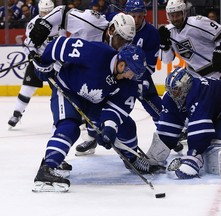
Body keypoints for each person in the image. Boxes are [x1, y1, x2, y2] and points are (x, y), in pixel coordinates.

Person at [31, 37, 161, 192]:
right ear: (121, 64)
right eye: (131, 72)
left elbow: (116, 108)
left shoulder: (129, 82)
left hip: (96, 103)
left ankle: (131, 160)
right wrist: (43, 64)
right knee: (69, 127)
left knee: (127, 126)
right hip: (68, 90)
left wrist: (109, 129)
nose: (131, 77)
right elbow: (58, 45)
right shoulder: (96, 53)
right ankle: (48, 168)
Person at [8, 3, 135, 127]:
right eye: (121, 39)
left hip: (76, 70)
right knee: (36, 92)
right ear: (112, 30)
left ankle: (88, 131)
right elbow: (61, 12)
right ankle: (21, 114)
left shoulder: (118, 51)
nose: (122, 46)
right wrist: (44, 24)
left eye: (127, 42)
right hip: (61, 64)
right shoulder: (91, 21)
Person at [74, 0, 165, 155]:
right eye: (133, 16)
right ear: (126, 14)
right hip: (112, 70)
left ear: (145, 15)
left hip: (136, 74)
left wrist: (137, 80)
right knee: (96, 100)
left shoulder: (151, 34)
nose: (136, 20)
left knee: (151, 98)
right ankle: (92, 137)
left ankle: (166, 133)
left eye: (139, 16)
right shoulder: (115, 19)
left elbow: (149, 65)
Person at [145, 67, 221, 179]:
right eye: (171, 91)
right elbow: (167, 128)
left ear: (186, 87)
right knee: (213, 144)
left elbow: (201, 131)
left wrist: (193, 155)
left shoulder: (199, 90)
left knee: (218, 146)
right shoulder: (170, 97)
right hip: (218, 113)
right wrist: (153, 157)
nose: (174, 95)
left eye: (177, 91)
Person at [8, 0, 57, 128]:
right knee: (26, 88)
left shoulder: (60, 21)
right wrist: (32, 54)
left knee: (59, 92)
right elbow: (28, 44)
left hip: (55, 61)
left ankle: (61, 119)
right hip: (37, 60)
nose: (46, 14)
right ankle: (17, 113)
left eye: (48, 12)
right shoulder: (33, 24)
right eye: (43, 12)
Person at [158, 0, 221, 80]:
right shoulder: (168, 31)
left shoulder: (198, 22)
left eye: (178, 15)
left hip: (216, 73)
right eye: (172, 16)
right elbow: (167, 60)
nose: (175, 19)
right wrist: (164, 44)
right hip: (193, 77)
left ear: (184, 12)